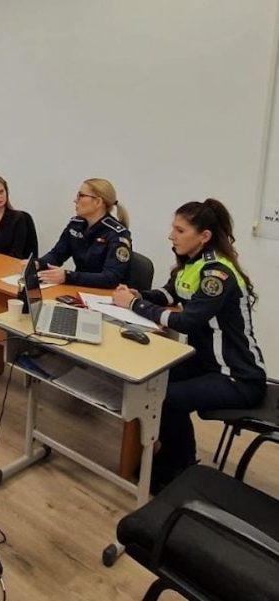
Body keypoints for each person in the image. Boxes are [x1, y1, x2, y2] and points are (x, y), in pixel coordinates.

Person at [112, 199, 267, 492]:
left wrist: (133, 305)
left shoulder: (216, 274)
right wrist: (138, 295)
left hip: (237, 376)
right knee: (152, 380)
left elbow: (186, 322)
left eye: (180, 230)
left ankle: (181, 468)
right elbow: (169, 294)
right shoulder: (192, 264)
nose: (171, 235)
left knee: (170, 399)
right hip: (206, 363)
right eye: (173, 228)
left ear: (204, 236)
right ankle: (164, 452)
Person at [36, 178, 132, 288]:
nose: (75, 200)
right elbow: (57, 255)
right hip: (79, 288)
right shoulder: (76, 224)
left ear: (98, 202)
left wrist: (67, 276)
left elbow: (111, 278)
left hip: (104, 294)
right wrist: (38, 264)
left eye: (80, 196)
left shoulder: (117, 234)